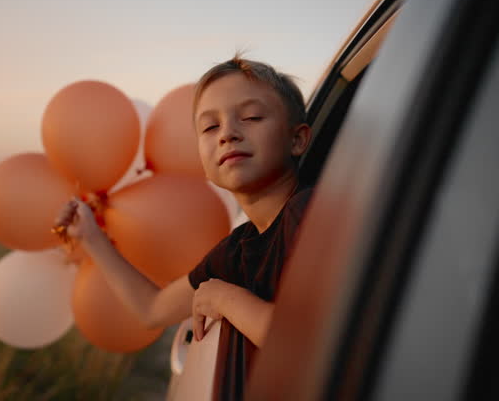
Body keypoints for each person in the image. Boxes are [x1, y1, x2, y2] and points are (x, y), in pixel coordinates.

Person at [55, 54, 313, 398]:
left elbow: (309, 346)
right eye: (210, 127)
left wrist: (225, 298)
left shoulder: (311, 215)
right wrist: (91, 238)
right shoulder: (237, 248)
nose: (228, 134)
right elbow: (152, 309)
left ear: (297, 140)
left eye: (251, 117)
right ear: (204, 163)